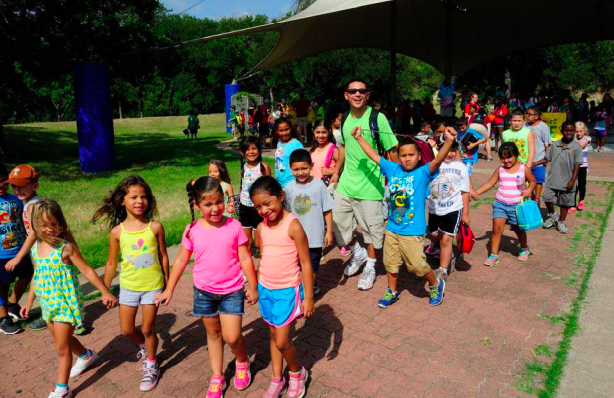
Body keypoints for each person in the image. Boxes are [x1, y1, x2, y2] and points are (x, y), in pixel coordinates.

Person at [155, 177, 258, 398]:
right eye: (208, 204)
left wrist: (253, 285)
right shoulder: (192, 230)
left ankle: (242, 360)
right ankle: (217, 376)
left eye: (219, 202)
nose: (215, 208)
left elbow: (246, 258)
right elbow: (181, 261)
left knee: (232, 336)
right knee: (213, 334)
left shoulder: (234, 226)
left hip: (232, 290)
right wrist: (169, 289)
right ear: (197, 205)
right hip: (204, 292)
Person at [20, 199, 117, 398]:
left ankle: (62, 389)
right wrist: (29, 301)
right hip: (48, 303)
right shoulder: (35, 247)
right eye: (44, 225)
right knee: (61, 340)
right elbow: (37, 275)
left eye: (54, 224)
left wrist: (105, 292)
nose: (49, 229)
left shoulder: (66, 248)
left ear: (61, 224)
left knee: (61, 348)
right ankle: (86, 355)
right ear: (35, 225)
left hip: (65, 304)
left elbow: (88, 271)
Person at [350, 126, 455, 308]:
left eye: (411, 155)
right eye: (404, 155)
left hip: (412, 231)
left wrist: (449, 141)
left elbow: (438, 160)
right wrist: (359, 138)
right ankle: (391, 291)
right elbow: (374, 156)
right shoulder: (392, 169)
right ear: (398, 157)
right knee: (390, 263)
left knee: (417, 265)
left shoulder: (423, 173)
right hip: (392, 229)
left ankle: (436, 285)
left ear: (419, 156)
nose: (407, 158)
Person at [92, 176, 169, 392]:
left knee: (147, 328)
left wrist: (168, 284)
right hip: (128, 287)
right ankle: (145, 347)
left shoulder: (155, 227)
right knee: (126, 330)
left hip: (153, 286)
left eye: (144, 196)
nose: (139, 201)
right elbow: (110, 262)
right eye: (133, 196)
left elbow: (163, 256)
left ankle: (152, 366)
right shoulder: (117, 232)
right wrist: (105, 290)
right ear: (122, 201)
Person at [331, 79, 399, 291]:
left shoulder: (377, 118)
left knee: (371, 232)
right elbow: (342, 147)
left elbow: (392, 150)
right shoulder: (345, 119)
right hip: (346, 184)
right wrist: (336, 172)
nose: (357, 94)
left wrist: (398, 180)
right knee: (339, 226)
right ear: (346, 95)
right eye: (353, 91)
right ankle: (358, 253)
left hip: (371, 187)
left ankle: (370, 265)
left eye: (362, 91)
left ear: (367, 95)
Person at [249, 176, 314, 398]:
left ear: (281, 197)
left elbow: (305, 263)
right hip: (266, 289)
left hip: (288, 290)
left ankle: (297, 373)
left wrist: (308, 298)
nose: (264, 210)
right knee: (272, 334)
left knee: (283, 340)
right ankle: (277, 378)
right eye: (258, 206)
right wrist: (256, 286)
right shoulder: (260, 228)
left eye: (268, 203)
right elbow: (264, 257)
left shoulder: (293, 225)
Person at [472, 143, 536, 265]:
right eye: (503, 158)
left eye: (509, 157)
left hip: (516, 206)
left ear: (516, 155)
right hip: (500, 204)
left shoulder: (524, 169)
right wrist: (476, 192)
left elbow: (532, 181)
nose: (506, 161)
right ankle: (494, 255)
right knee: (496, 229)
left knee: (518, 229)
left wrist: (529, 190)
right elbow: (489, 184)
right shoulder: (500, 170)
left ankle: (524, 248)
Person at [285, 149, 334, 295]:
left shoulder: (319, 186)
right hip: (293, 239)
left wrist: (329, 232)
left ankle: (309, 291)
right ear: (290, 168)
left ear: (311, 166)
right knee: (295, 267)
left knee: (311, 268)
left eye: (304, 168)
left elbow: (327, 210)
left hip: (314, 238)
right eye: (296, 169)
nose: (300, 172)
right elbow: (285, 214)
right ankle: (301, 287)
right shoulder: (287, 188)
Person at [427, 140, 470, 281]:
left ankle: (443, 270)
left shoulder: (460, 167)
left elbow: (465, 191)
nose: (450, 154)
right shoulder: (432, 164)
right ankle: (449, 254)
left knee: (446, 239)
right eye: (447, 150)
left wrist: (466, 213)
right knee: (434, 235)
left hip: (454, 209)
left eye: (453, 151)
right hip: (434, 208)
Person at [0, 163, 28, 335]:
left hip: (19, 250)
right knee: (1, 285)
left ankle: (12, 304)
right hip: (0, 254)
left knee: (27, 275)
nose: (1, 186)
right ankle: (3, 319)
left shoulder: (16, 199)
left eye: (3, 182)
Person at [542, 122, 583, 234]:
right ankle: (553, 215)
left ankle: (561, 221)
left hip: (568, 181)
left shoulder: (576, 147)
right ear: (561, 131)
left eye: (571, 130)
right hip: (553, 179)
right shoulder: (555, 144)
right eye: (566, 130)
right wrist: (533, 163)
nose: (568, 133)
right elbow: (547, 159)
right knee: (547, 197)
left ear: (574, 131)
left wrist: (572, 180)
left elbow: (577, 165)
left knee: (565, 202)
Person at [238, 136, 272, 252]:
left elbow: (269, 188)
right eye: (247, 149)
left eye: (254, 148)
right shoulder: (243, 167)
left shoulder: (263, 167)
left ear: (259, 150)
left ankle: (263, 268)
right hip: (244, 207)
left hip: (258, 209)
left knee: (259, 243)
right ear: (242, 153)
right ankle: (246, 268)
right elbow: (242, 185)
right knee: (246, 242)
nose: (251, 152)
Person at [524, 106, 551, 206]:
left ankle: (537, 199)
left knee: (538, 180)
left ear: (536, 116)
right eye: (526, 114)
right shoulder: (525, 125)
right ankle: (529, 198)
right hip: (527, 159)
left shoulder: (543, 127)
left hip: (539, 159)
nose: (527, 116)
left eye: (529, 114)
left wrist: (546, 158)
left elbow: (547, 144)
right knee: (528, 180)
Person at [274, 117, 303, 188]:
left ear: (291, 128)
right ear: (276, 131)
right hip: (280, 183)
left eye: (286, 129)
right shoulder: (279, 143)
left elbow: (303, 164)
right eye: (281, 130)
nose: (284, 133)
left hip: (292, 182)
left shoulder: (296, 144)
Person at [569, 122, 591, 213]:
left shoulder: (587, 138)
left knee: (582, 185)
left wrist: (571, 147)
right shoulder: (573, 139)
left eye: (581, 131)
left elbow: (581, 146)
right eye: (577, 131)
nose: (579, 133)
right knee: (572, 185)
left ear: (584, 131)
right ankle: (572, 204)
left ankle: (581, 199)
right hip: (573, 165)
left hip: (582, 165)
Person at [310, 119, 338, 184]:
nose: (320, 135)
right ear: (313, 132)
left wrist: (332, 171)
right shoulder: (313, 149)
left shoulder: (333, 149)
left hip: (326, 188)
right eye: (318, 132)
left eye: (324, 132)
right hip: (314, 185)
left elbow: (344, 167)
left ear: (329, 131)